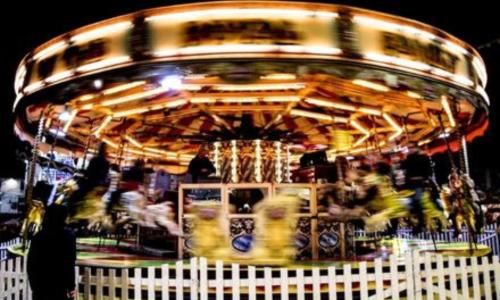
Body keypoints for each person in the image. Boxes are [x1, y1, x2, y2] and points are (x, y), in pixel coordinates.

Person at [28, 204, 76, 300]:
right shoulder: (68, 236)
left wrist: (34, 286)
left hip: (40, 288)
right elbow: (69, 263)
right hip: (59, 288)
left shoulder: (38, 237)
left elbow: (31, 264)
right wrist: (71, 286)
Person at [401, 147, 432, 233]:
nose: (410, 149)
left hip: (419, 183)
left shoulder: (421, 158)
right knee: (408, 204)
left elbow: (427, 170)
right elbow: (404, 168)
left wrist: (426, 179)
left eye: (411, 147)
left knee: (417, 201)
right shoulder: (409, 159)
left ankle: (421, 223)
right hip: (410, 185)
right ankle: (414, 223)